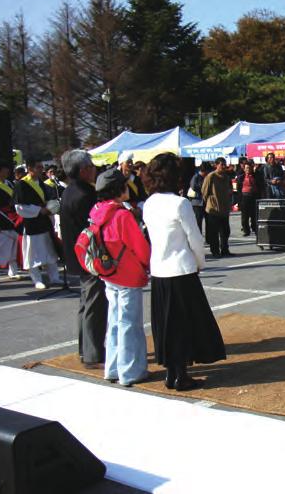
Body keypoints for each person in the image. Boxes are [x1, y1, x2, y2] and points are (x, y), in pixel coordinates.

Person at [142, 152, 225, 391]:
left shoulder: (149, 203)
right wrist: (200, 263)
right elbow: (195, 239)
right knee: (186, 325)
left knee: (167, 325)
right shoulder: (180, 203)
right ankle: (181, 375)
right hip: (181, 270)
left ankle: (172, 372)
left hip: (159, 270)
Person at [89, 169, 151, 387]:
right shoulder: (122, 215)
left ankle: (113, 367)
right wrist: (147, 265)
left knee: (114, 321)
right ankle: (131, 371)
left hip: (108, 272)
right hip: (128, 274)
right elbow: (140, 247)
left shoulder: (97, 211)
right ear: (118, 189)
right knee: (129, 324)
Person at [60, 149, 106, 368]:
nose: (94, 169)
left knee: (86, 304)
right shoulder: (86, 195)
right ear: (84, 169)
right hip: (90, 256)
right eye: (91, 166)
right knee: (94, 305)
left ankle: (85, 349)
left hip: (76, 256)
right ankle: (93, 353)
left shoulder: (69, 191)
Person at [14, 160, 61, 290]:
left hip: (45, 222)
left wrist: (51, 208)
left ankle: (54, 277)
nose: (41, 170)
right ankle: (37, 279)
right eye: (38, 167)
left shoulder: (43, 184)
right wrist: (39, 210)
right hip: (31, 224)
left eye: (42, 167)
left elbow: (50, 200)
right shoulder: (21, 185)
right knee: (32, 252)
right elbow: (19, 207)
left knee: (50, 249)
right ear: (30, 168)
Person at [201, 157, 233, 258]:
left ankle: (225, 250)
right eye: (221, 164)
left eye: (224, 164)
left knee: (225, 231)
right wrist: (210, 202)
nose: (223, 166)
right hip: (213, 209)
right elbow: (204, 191)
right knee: (214, 232)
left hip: (224, 208)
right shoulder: (211, 176)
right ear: (216, 165)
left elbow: (230, 189)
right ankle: (215, 251)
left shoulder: (226, 177)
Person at [236, 161, 262, 237]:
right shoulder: (241, 177)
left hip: (254, 197)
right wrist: (239, 201)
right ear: (244, 169)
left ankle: (254, 228)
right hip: (244, 197)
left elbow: (260, 186)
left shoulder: (256, 176)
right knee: (244, 216)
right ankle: (246, 230)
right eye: (247, 168)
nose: (248, 169)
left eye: (249, 167)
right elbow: (238, 190)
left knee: (254, 214)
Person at [186, 162, 210, 234]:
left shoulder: (206, 177)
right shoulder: (196, 177)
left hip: (205, 201)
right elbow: (193, 186)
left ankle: (209, 238)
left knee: (208, 221)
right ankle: (199, 236)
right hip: (197, 202)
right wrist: (203, 189)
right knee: (198, 221)